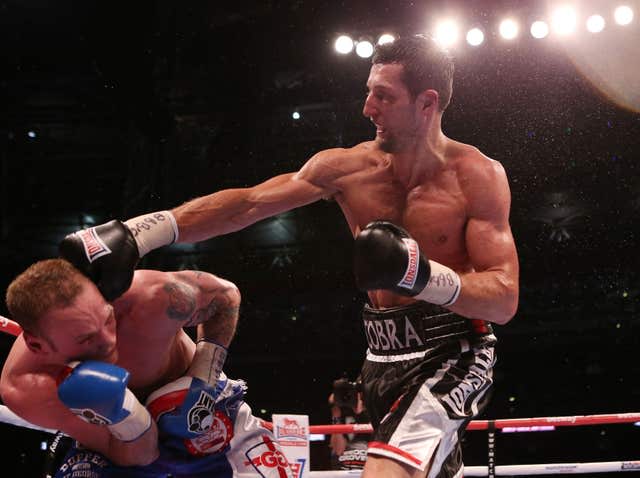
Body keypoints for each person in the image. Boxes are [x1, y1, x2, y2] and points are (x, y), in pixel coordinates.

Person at [60, 34, 519, 478]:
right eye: (368, 93)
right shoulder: (346, 167)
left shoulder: (476, 176)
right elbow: (249, 203)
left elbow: (503, 299)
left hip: (453, 349)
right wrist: (141, 233)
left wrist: (420, 275)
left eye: (384, 96)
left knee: (389, 470)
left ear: (427, 102)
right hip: (379, 355)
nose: (367, 108)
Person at [0, 259, 293, 477]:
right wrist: (128, 415)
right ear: (38, 346)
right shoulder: (28, 388)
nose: (109, 341)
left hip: (213, 418)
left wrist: (202, 377)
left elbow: (225, 296)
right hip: (118, 451)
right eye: (86, 338)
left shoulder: (150, 298)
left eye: (108, 319)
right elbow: (137, 456)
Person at [327, 376, 371, 471]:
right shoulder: (343, 413)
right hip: (345, 469)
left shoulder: (374, 411)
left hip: (367, 468)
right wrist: (335, 415)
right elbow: (338, 449)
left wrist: (361, 411)